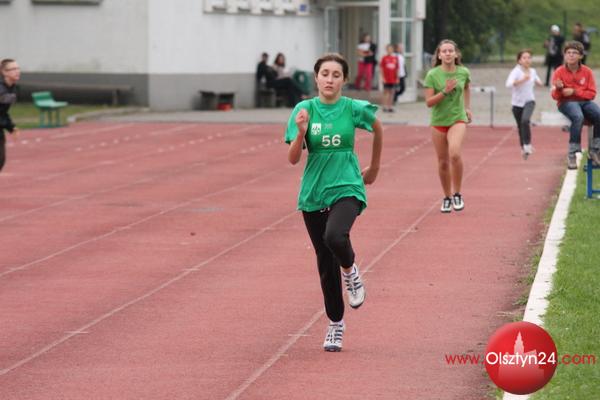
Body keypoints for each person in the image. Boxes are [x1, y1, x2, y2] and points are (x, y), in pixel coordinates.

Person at [285, 53, 383, 352]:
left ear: (344, 80)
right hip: (314, 191)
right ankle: (336, 324)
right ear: (316, 78)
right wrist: (301, 133)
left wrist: (374, 168)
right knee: (325, 264)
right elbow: (293, 159)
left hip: (348, 185)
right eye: (325, 74)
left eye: (336, 75)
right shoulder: (304, 110)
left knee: (335, 236)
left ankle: (351, 271)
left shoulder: (353, 108)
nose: (329, 79)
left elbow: (378, 128)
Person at [423, 39, 472, 213]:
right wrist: (445, 91)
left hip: (457, 119)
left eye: (451, 50)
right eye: (444, 51)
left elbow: (466, 88)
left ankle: (457, 193)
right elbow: (429, 102)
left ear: (456, 54)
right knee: (443, 162)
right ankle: (447, 197)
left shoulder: (463, 72)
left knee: (455, 154)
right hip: (438, 122)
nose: (448, 53)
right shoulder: (432, 75)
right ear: (439, 55)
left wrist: (467, 108)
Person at [551, 41, 600, 169]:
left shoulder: (587, 72)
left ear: (581, 56)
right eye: (568, 53)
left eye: (574, 53)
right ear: (564, 55)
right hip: (566, 102)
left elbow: (592, 94)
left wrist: (574, 91)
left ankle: (596, 150)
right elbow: (555, 96)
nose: (571, 55)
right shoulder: (559, 71)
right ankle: (572, 153)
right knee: (578, 117)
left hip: (584, 102)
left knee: (598, 114)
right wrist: (558, 89)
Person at [505, 49, 543, 160]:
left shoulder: (533, 71)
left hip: (529, 101)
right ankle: (523, 148)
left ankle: (527, 144)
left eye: (529, 58)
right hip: (516, 104)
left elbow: (539, 82)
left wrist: (539, 83)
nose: (527, 60)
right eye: (524, 58)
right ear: (519, 61)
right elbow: (508, 84)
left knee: (525, 121)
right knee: (520, 126)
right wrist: (522, 80)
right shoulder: (516, 71)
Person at [0, 58, 21, 172]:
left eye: (18, 68)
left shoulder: (13, 89)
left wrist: (11, 127)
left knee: (1, 160)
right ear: (4, 72)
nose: (17, 71)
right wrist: (9, 126)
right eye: (13, 69)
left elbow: (2, 111)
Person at [380, 44, 399, 112]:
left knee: (392, 92)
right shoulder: (384, 58)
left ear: (393, 50)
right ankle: (384, 106)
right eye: (388, 49)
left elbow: (397, 69)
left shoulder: (395, 58)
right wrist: (383, 78)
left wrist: (397, 78)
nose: (390, 50)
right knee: (386, 92)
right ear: (386, 50)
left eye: (391, 49)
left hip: (393, 79)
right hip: (386, 78)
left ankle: (390, 107)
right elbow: (381, 68)